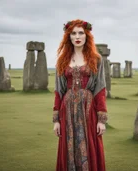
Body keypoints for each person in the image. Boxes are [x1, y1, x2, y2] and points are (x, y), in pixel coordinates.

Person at [52, 19, 108, 171]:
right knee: (69, 144)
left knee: (89, 143)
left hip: (88, 108)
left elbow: (100, 90)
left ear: (87, 35)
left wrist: (101, 119)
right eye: (73, 33)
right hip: (67, 108)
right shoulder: (62, 61)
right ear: (68, 37)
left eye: (81, 33)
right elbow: (59, 91)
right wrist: (56, 120)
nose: (77, 36)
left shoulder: (96, 59)